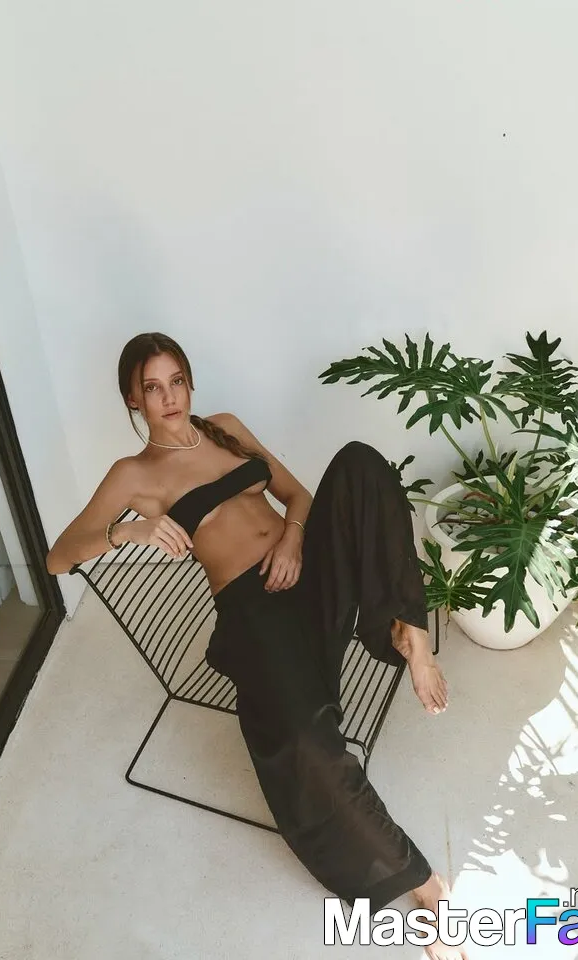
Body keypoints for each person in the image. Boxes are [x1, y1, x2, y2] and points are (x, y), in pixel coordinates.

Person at [47, 332, 467, 960]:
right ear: (133, 399)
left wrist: (294, 539)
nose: (169, 397)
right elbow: (58, 557)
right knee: (303, 743)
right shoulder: (132, 476)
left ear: (190, 381)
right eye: (152, 388)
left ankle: (410, 631)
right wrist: (129, 530)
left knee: (359, 461)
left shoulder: (225, 428)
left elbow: (299, 496)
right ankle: (424, 884)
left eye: (176, 380)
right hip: (254, 608)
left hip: (305, 567)